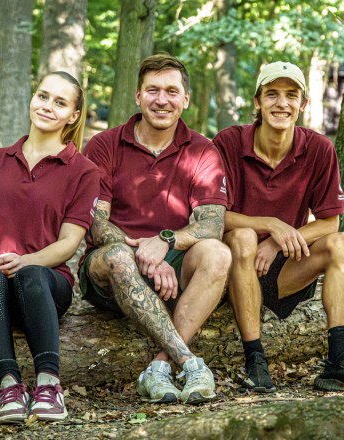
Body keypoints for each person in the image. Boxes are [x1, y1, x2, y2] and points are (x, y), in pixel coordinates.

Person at [213, 61, 344, 394]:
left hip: (284, 269)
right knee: (245, 237)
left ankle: (340, 362)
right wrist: (271, 226)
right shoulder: (229, 142)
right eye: (272, 94)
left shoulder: (319, 148)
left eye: (291, 95)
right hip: (233, 265)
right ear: (257, 102)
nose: (282, 103)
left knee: (342, 242)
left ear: (303, 104)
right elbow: (214, 216)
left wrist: (278, 241)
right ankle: (255, 362)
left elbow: (329, 221)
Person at [79, 54, 231, 405]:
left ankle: (159, 366)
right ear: (137, 96)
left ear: (185, 99)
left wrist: (165, 242)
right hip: (110, 268)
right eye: (152, 90)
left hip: (173, 266)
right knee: (118, 255)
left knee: (218, 253)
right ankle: (189, 362)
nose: (161, 99)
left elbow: (212, 224)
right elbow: (95, 220)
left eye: (171, 91)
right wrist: (143, 255)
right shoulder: (104, 145)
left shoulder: (203, 151)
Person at [0, 71, 100, 424]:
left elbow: (69, 242)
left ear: (74, 116)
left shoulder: (83, 171)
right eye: (42, 96)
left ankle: (49, 385)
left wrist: (24, 261)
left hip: (46, 286)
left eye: (60, 102)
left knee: (33, 274)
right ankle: (9, 386)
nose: (47, 106)